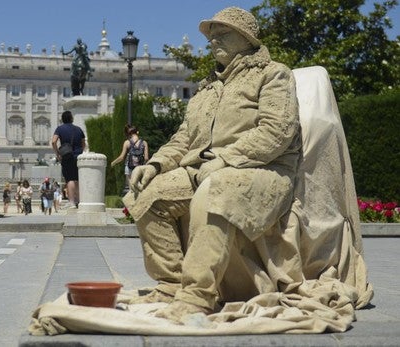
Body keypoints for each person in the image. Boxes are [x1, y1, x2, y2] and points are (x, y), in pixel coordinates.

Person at [124, 7, 303, 322]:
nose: (212, 42)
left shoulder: (273, 73)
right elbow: (183, 138)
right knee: (147, 197)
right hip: (202, 168)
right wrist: (154, 165)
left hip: (260, 168)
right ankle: (170, 283)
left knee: (214, 190)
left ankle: (197, 295)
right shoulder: (206, 87)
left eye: (222, 34)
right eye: (211, 37)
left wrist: (226, 159)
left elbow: (277, 132)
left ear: (246, 39)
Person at [52, 110, 85, 208]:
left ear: (62, 119)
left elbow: (54, 141)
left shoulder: (60, 129)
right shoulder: (78, 129)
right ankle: (79, 201)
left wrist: (58, 153)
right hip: (78, 157)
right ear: (72, 119)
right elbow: (83, 144)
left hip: (67, 156)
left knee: (70, 179)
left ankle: (71, 202)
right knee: (77, 179)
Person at [111, 124, 149, 190]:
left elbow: (121, 157)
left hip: (129, 167)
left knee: (131, 188)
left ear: (129, 134)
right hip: (140, 168)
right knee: (140, 188)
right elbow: (146, 158)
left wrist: (113, 163)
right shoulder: (144, 143)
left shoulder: (127, 143)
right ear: (137, 132)